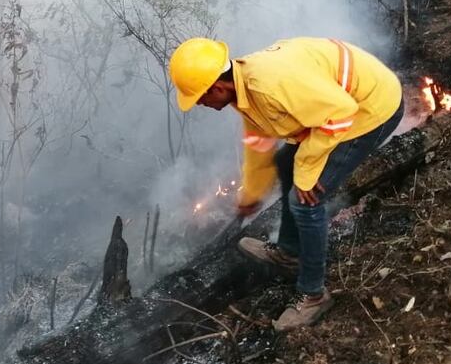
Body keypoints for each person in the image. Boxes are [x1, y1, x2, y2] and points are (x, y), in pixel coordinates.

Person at [168, 37, 404, 331]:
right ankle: (290, 254)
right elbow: (258, 143)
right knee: (284, 163)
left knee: (305, 201)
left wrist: (306, 174)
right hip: (343, 108)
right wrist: (252, 191)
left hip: (370, 110)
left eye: (200, 98)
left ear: (217, 88)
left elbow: (341, 113)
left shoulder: (268, 86)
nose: (201, 105)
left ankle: (314, 294)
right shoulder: (245, 87)